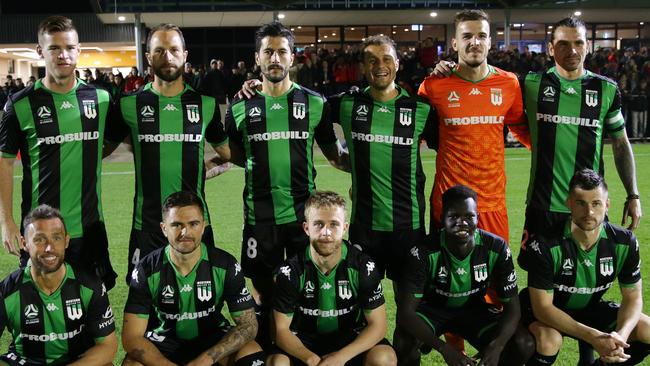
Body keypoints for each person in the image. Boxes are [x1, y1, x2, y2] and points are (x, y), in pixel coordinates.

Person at [223, 21, 349, 334]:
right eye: (269, 52)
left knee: (305, 287)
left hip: (302, 217)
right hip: (259, 214)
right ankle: (269, 341)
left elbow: (334, 154)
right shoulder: (239, 106)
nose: (275, 58)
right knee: (263, 289)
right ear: (257, 59)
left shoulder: (315, 103)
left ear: (293, 58)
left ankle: (302, 339)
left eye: (282, 52)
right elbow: (235, 155)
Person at [104, 23, 230, 282]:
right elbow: (96, 151)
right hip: (146, 226)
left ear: (185, 55)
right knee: (144, 301)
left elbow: (228, 153)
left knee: (202, 298)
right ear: (148, 58)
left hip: (195, 223)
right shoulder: (129, 105)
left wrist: (205, 167)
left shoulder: (204, 104)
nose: (168, 56)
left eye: (174, 49)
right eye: (159, 50)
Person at [0, 15, 118, 289]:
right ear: (40, 51)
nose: (62, 55)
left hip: (90, 231)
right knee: (41, 310)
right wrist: (7, 222)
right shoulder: (19, 105)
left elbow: (115, 139)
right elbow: (5, 162)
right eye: (54, 48)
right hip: (41, 232)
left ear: (79, 50)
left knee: (92, 312)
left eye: (68, 47)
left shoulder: (100, 99)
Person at [518, 16, 642, 262]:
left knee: (588, 279)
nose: (572, 50)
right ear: (551, 48)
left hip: (590, 208)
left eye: (579, 42)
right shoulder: (531, 85)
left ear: (588, 46)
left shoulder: (606, 90)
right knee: (538, 285)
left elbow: (620, 144)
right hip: (543, 206)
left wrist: (633, 195)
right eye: (563, 44)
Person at [328, 34, 436, 285]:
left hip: (408, 228)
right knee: (361, 303)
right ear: (363, 67)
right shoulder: (346, 104)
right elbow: (303, 107)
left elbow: (450, 148)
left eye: (387, 59)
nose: (380, 66)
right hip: (365, 229)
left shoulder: (420, 109)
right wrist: (258, 86)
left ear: (397, 63)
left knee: (409, 305)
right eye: (372, 60)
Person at [418, 9, 530, 244]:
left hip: (492, 203)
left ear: (490, 42)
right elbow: (411, 138)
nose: (475, 42)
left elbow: (520, 128)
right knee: (446, 279)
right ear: (455, 43)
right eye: (467, 36)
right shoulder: (433, 86)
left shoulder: (508, 83)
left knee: (495, 278)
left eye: (481, 36)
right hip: (448, 202)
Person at [522, 169, 650, 365]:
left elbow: (633, 297)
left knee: (647, 329)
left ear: (607, 205)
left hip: (590, 307)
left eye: (596, 203)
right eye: (580, 203)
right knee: (549, 341)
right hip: (550, 310)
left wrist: (621, 337)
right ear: (569, 204)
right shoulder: (545, 244)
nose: (589, 212)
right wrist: (593, 337)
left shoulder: (624, 242)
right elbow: (543, 308)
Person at [122, 191, 265, 366]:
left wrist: (206, 359)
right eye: (176, 225)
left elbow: (248, 326)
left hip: (211, 339)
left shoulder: (224, 265)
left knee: (251, 352)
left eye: (193, 224)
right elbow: (131, 337)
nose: (185, 232)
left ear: (203, 226)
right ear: (163, 228)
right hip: (164, 342)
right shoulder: (147, 269)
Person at [396, 185, 534, 366]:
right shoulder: (422, 251)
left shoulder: (496, 248)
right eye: (454, 217)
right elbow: (406, 313)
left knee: (523, 343)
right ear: (442, 217)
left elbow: (513, 308)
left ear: (478, 217)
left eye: (469, 216)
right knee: (404, 340)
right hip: (433, 311)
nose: (462, 223)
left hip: (474, 310)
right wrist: (444, 348)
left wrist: (497, 346)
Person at [269, 191, 397, 366]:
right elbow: (281, 330)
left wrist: (341, 357)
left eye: (334, 225)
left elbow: (378, 325)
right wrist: (311, 359)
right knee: (278, 362)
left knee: (384, 358)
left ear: (344, 228)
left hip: (350, 339)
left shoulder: (362, 267)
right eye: (318, 224)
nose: (326, 232)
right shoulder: (290, 271)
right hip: (304, 341)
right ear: (306, 228)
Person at [0, 205, 117, 365]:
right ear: (24, 243)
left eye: (56, 238)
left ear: (66, 241)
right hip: (24, 361)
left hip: (74, 361)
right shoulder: (7, 292)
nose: (49, 248)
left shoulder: (90, 286)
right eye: (39, 239)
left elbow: (107, 347)